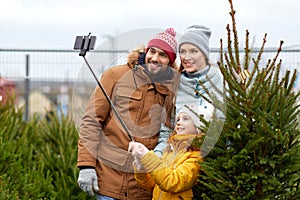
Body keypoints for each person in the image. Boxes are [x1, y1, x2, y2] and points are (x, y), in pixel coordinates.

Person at [77, 28, 178, 200]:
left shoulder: (172, 89)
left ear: (170, 62)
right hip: (109, 180)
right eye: (152, 51)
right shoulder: (115, 76)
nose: (154, 58)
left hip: (143, 187)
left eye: (163, 55)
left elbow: (169, 132)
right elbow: (92, 121)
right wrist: (86, 165)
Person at [128, 104, 211, 200]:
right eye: (178, 120)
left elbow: (172, 182)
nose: (179, 123)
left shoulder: (196, 157)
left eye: (186, 119)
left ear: (198, 127)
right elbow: (152, 184)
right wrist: (141, 167)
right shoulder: (169, 151)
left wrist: (147, 156)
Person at [176, 25, 224, 115]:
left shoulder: (223, 82)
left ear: (205, 54)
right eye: (182, 52)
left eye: (193, 51)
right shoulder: (175, 86)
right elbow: (165, 125)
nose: (186, 57)